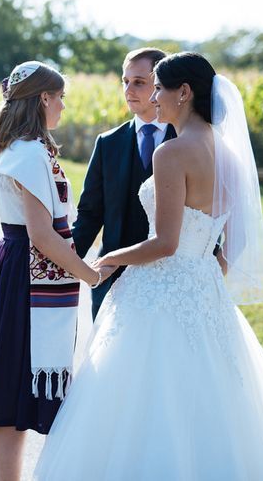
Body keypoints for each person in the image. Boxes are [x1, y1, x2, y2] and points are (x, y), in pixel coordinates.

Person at [33, 52, 263, 480]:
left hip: (157, 294)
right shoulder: (230, 155)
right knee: (210, 399)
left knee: (140, 397)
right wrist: (203, 275)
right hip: (206, 293)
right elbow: (238, 241)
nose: (153, 97)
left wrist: (110, 258)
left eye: (158, 87)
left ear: (185, 91)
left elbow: (164, 243)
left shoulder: (173, 153)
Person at [0, 61, 114, 481]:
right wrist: (90, 274)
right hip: (23, 279)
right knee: (11, 397)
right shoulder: (29, 152)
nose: (63, 106)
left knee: (7, 392)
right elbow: (43, 237)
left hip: (12, 268)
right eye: (59, 97)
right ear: (43, 98)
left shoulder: (17, 147)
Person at [72, 48, 176, 320]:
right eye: (125, 81)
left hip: (170, 276)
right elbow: (90, 214)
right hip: (113, 280)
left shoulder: (188, 140)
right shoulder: (108, 143)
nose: (129, 89)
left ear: (160, 83)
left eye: (139, 82)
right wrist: (64, 264)